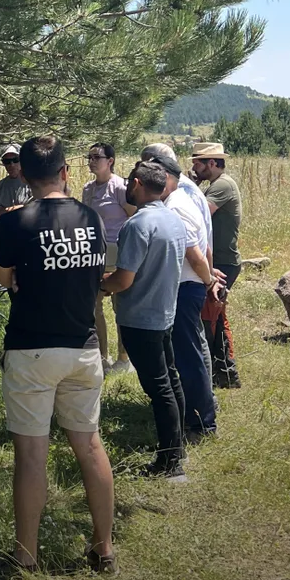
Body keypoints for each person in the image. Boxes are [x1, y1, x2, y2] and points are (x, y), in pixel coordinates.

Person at [0, 136, 116, 574]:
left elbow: (4, 277)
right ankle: (104, 549)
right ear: (65, 172)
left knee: (31, 456)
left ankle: (25, 556)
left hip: (32, 350)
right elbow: (95, 274)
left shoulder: (13, 223)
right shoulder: (91, 217)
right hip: (84, 347)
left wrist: (20, 275)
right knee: (90, 445)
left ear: (23, 174)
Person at [101, 162, 188, 480]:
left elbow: (123, 280)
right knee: (170, 381)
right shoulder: (172, 219)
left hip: (140, 319)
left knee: (159, 389)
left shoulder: (138, 225)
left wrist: (100, 284)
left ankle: (170, 464)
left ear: (137, 184)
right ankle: (177, 448)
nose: (126, 186)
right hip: (164, 313)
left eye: (128, 182)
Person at [149, 153, 222, 443]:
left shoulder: (176, 206)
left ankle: (202, 423)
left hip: (185, 286)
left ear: (168, 177)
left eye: (157, 176)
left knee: (188, 358)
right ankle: (195, 416)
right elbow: (205, 247)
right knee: (187, 355)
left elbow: (195, 252)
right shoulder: (180, 200)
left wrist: (209, 280)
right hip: (187, 284)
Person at [82, 143, 135, 374]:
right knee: (94, 305)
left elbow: (134, 217)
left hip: (118, 251)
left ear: (110, 161)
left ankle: (124, 358)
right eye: (90, 157)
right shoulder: (88, 189)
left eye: (97, 157)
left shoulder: (120, 187)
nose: (92, 161)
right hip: (95, 252)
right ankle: (102, 356)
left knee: (119, 305)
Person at [192, 143, 242, 389]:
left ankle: (222, 373)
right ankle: (224, 374)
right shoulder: (216, 185)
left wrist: (189, 187)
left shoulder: (222, 185)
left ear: (211, 163)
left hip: (222, 263)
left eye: (197, 164)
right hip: (219, 260)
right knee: (215, 317)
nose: (194, 169)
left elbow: (198, 215)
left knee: (211, 318)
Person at [0, 144, 32, 223]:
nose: (12, 165)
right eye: (7, 161)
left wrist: (2, 211)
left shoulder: (32, 183)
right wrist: (20, 208)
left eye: (15, 160)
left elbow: (35, 211)